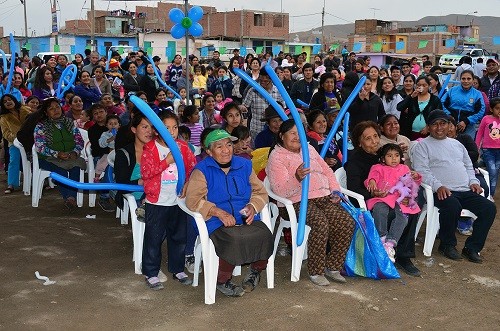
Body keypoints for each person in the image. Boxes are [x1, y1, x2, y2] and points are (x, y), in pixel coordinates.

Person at [185, 129, 273, 297]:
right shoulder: (202, 170)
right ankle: (222, 280)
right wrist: (217, 212)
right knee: (232, 240)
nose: (226, 150)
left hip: (244, 215)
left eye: (229, 144)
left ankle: (256, 270)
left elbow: (261, 192)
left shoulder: (245, 165)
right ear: (209, 152)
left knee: (265, 235)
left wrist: (252, 207)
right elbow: (193, 200)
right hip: (217, 220)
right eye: (219, 147)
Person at [266, 119, 354, 285]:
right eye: (292, 133)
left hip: (322, 196)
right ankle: (316, 271)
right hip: (294, 202)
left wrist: (335, 190)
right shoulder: (276, 156)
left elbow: (327, 171)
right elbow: (279, 190)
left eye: (299, 133)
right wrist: (297, 177)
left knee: (346, 221)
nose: (296, 137)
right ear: (281, 135)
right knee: (320, 223)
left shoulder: (309, 149)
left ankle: (333, 266)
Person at [412, 110, 496, 263]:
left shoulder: (457, 144)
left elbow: (468, 166)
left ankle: (472, 247)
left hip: (465, 189)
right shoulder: (422, 146)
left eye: (443, 123)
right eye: (434, 124)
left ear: (449, 125)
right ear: (428, 127)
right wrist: (438, 186)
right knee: (452, 205)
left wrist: (474, 182)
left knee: (489, 208)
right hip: (441, 191)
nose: (439, 127)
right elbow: (421, 171)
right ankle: (447, 245)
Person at [345, 121, 421, 276]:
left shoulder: (384, 154)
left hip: (394, 197)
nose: (374, 141)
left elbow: (402, 174)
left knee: (412, 208)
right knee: (391, 213)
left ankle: (403, 255)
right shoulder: (354, 162)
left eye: (375, 136)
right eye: (368, 138)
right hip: (371, 202)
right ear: (359, 142)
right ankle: (387, 248)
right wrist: (373, 194)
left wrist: (406, 194)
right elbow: (354, 190)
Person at [140, 111, 196, 290]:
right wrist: (167, 161)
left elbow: (192, 169)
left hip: (177, 201)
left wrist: (187, 184)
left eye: (174, 127)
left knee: (179, 237)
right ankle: (151, 272)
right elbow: (147, 173)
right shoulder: (150, 149)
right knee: (153, 239)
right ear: (157, 130)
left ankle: (177, 269)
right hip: (157, 202)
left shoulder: (183, 147)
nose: (171, 132)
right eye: (166, 128)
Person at [365, 143, 422, 262]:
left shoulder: (404, 168)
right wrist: (371, 182)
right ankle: (382, 237)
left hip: (400, 198)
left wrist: (416, 176)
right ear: (383, 158)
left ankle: (390, 243)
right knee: (379, 210)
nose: (394, 158)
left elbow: (412, 183)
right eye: (389, 156)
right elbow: (372, 177)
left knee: (403, 217)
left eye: (396, 155)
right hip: (383, 196)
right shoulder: (378, 167)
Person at [33, 97, 86, 211]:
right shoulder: (41, 126)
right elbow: (40, 147)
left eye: (57, 107)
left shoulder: (69, 123)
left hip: (69, 156)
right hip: (48, 158)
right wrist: (56, 154)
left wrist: (75, 152)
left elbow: (79, 141)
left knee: (75, 167)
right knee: (60, 170)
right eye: (51, 109)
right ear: (46, 113)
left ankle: (70, 198)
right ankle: (70, 198)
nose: (56, 110)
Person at [241, 69, 285, 140]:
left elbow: (283, 109)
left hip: (274, 130)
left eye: (265, 81)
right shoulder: (253, 90)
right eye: (261, 81)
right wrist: (242, 108)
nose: (262, 83)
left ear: (271, 80)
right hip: (256, 129)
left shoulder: (278, 91)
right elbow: (245, 106)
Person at [441, 70, 485, 138]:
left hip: (468, 127)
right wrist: (449, 116)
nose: (466, 81)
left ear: (473, 80)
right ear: (460, 79)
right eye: (463, 78)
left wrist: (466, 121)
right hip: (450, 125)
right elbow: (442, 103)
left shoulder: (477, 94)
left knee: (467, 147)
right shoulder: (452, 90)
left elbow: (481, 110)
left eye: (469, 79)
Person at [0, 94, 30, 193]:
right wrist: (17, 138)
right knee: (13, 160)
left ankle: (40, 181)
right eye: (5, 101)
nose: (8, 102)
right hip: (14, 143)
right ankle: (12, 184)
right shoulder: (3, 118)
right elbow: (6, 133)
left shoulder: (26, 110)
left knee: (36, 158)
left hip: (30, 141)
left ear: (14, 100)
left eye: (9, 99)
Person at [88, 103, 115, 212]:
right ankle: (104, 197)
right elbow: (96, 147)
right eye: (95, 113)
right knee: (110, 168)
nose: (99, 115)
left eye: (101, 112)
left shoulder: (114, 125)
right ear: (92, 116)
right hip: (100, 157)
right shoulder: (92, 130)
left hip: (115, 155)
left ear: (106, 112)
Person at [475, 98, 500, 198]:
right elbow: (479, 134)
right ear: (491, 109)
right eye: (497, 108)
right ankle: (489, 194)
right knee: (493, 171)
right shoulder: (486, 119)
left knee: (495, 173)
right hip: (488, 149)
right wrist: (476, 148)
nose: (499, 111)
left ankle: (490, 195)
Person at [95, 114, 120, 182]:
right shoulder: (105, 134)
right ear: (106, 125)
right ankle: (97, 177)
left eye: (115, 123)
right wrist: (109, 139)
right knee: (101, 163)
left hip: (118, 153)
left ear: (119, 125)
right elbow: (101, 144)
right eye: (110, 124)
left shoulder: (121, 134)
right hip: (109, 154)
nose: (113, 125)